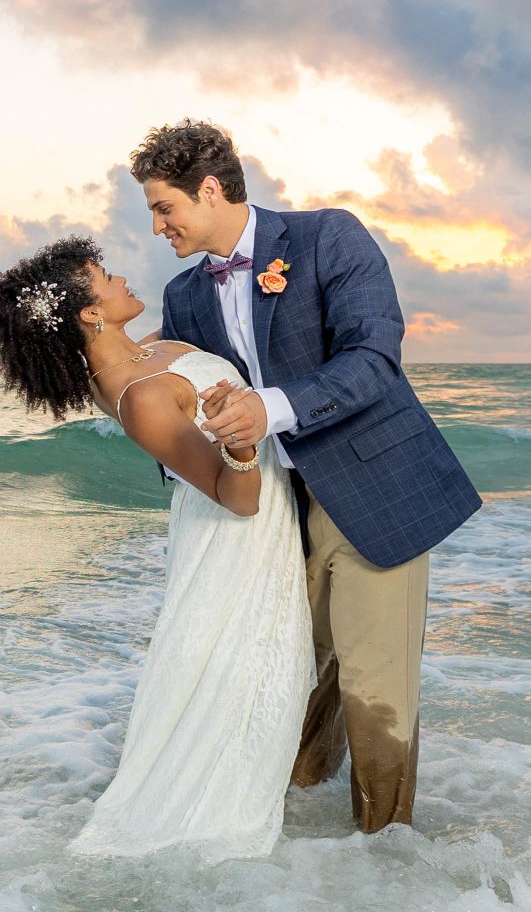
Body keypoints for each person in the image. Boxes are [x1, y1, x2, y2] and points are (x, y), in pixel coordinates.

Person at [132, 118, 481, 833]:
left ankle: (387, 853)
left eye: (164, 207)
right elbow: (195, 410)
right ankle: (300, 845)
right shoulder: (184, 297)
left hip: (372, 491)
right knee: (293, 678)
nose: (159, 225)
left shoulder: (329, 238)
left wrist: (270, 407)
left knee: (375, 687)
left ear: (208, 189)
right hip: (270, 517)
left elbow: (374, 357)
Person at [0, 237, 312, 861]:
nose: (121, 275)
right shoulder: (138, 395)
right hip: (235, 539)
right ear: (89, 315)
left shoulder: (147, 352)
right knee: (236, 671)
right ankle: (210, 817)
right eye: (103, 275)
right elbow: (236, 498)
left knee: (237, 669)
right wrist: (239, 445)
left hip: (249, 525)